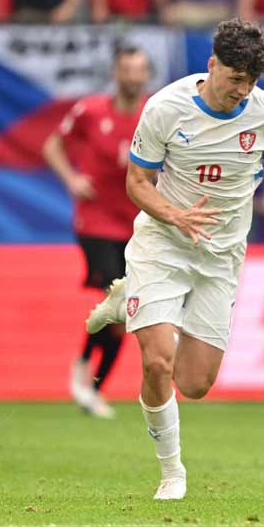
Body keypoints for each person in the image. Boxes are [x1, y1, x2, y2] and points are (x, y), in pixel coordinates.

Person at [84, 19, 264, 500]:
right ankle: (172, 472)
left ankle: (129, 300)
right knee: (157, 363)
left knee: (195, 383)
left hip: (221, 256)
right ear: (212, 65)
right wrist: (176, 215)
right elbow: (137, 183)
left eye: (252, 81)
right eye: (236, 78)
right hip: (163, 245)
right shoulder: (166, 108)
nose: (243, 90)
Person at [43, 46, 152, 419]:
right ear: (115, 73)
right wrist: (72, 179)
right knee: (115, 293)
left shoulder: (154, 113)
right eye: (127, 69)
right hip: (96, 221)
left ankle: (91, 384)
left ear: (146, 75)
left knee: (123, 315)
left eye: (139, 70)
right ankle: (83, 371)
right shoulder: (90, 111)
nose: (132, 77)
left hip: (137, 224)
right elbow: (52, 145)